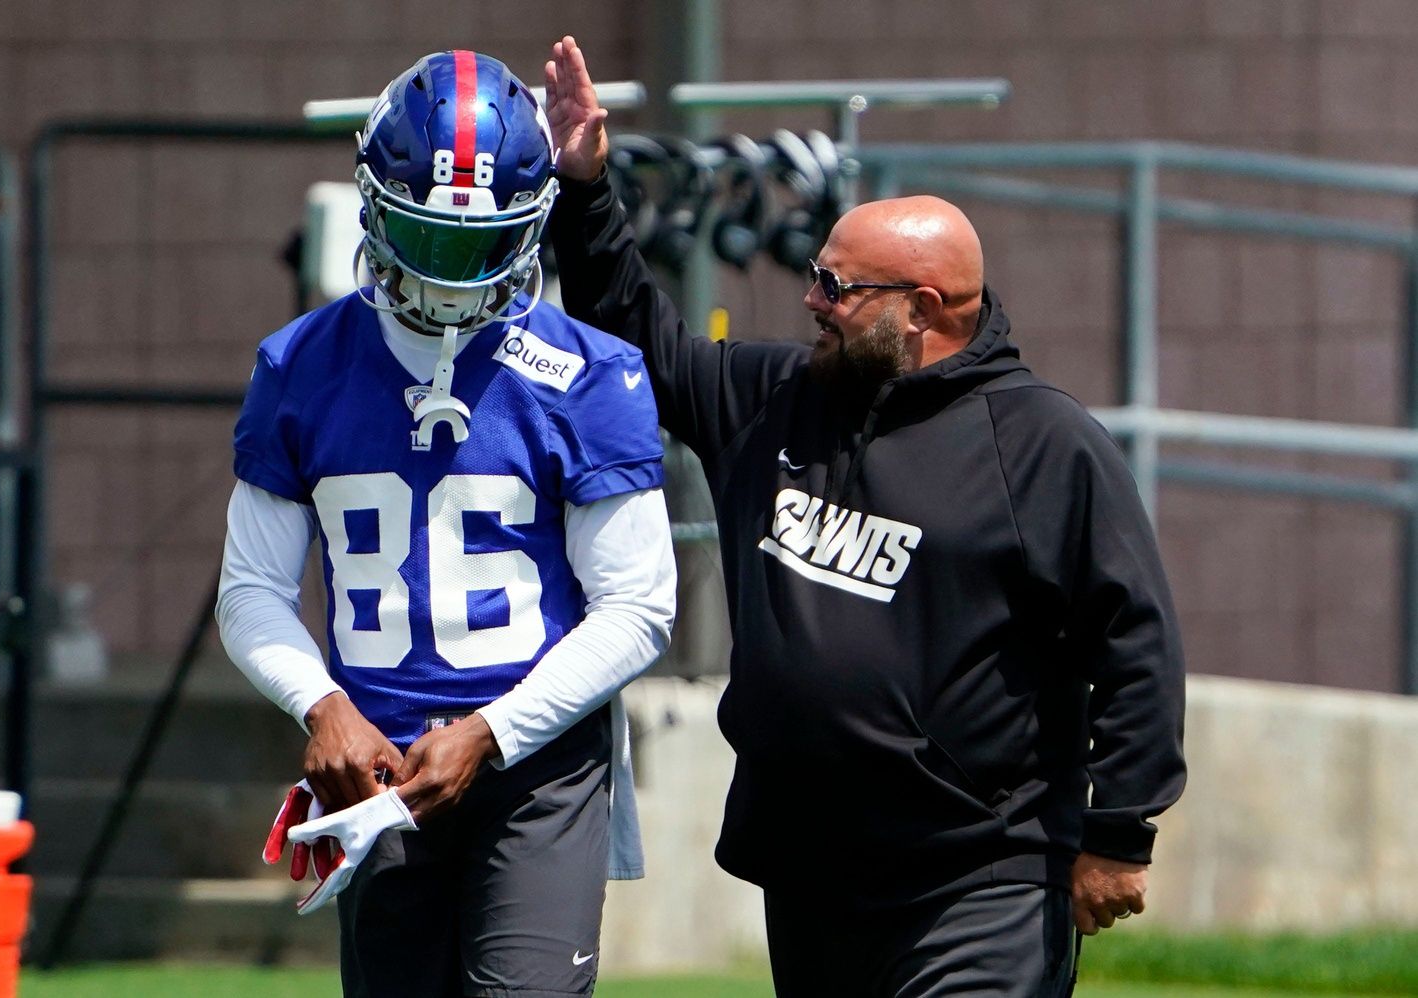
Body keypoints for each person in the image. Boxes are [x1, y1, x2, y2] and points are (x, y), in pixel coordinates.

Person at [543, 35, 1187, 998]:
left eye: (838, 288)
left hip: (981, 875)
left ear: (923, 308)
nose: (811, 299)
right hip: (810, 869)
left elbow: (1135, 642)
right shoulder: (776, 396)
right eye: (817, 274)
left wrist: (1117, 831)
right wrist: (587, 190)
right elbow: (640, 344)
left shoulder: (1044, 445)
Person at [215, 49, 676, 998]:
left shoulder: (590, 373)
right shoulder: (299, 365)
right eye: (422, 237)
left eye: (473, 245)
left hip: (538, 758)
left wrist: (494, 731)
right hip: (377, 759)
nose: (443, 274)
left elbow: (640, 608)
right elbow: (250, 588)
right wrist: (324, 704)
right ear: (374, 204)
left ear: (530, 223)